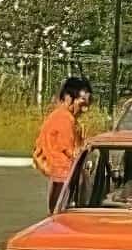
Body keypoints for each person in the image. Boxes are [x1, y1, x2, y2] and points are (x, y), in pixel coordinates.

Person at [33, 77, 93, 213]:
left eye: (88, 103)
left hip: (62, 177)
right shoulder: (64, 119)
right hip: (64, 177)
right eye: (82, 102)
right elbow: (72, 152)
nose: (85, 109)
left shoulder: (63, 117)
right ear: (68, 98)